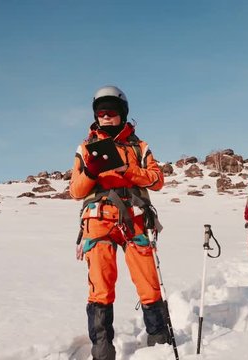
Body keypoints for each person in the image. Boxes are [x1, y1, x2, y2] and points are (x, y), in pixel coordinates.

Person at [69, 85, 169, 360]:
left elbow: (157, 180)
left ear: (122, 114)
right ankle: (102, 352)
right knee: (101, 286)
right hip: (98, 221)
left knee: (148, 282)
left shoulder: (140, 147)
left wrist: (130, 171)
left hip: (134, 218)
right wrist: (90, 170)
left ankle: (160, 342)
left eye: (111, 111)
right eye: (100, 112)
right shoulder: (86, 147)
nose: (105, 116)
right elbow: (76, 191)